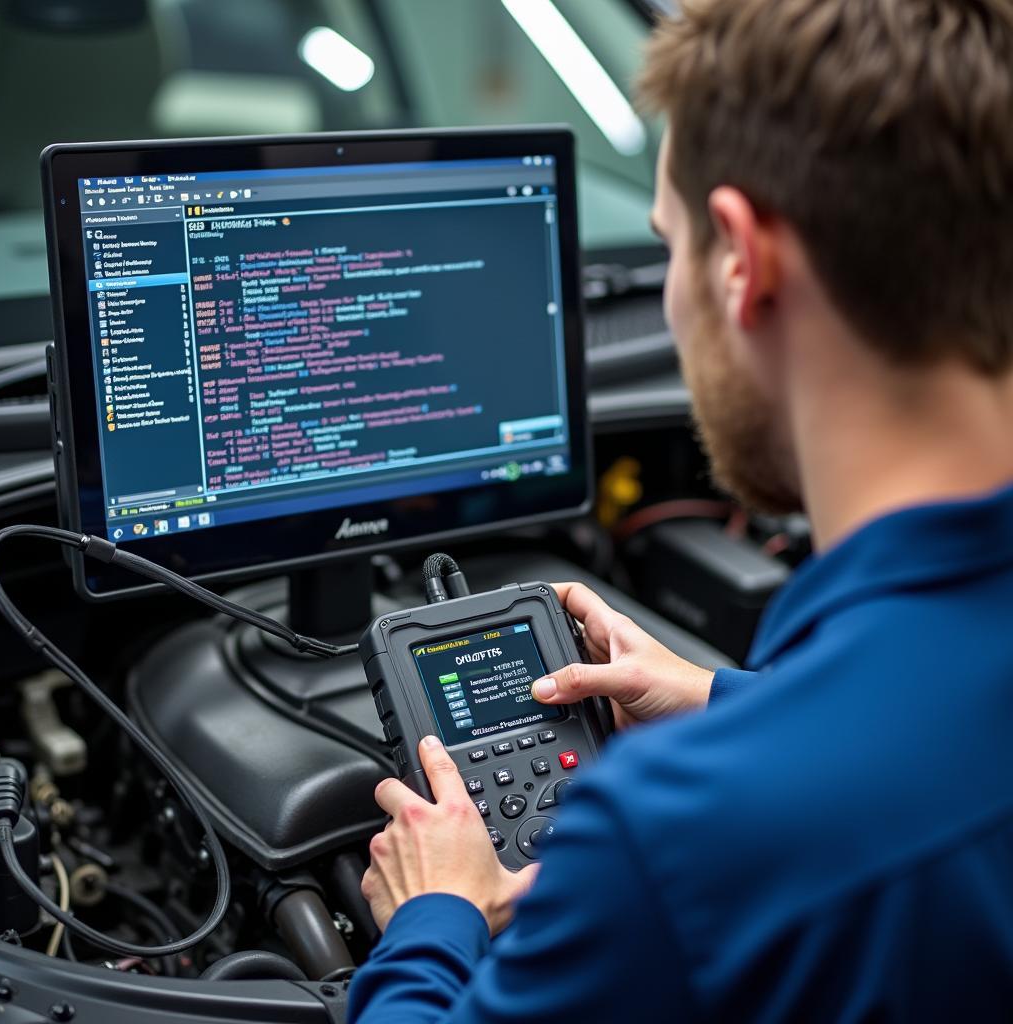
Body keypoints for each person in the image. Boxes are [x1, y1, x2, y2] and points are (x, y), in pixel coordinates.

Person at [348, 1, 1013, 1019]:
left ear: (742, 261)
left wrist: (432, 917)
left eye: (665, 247)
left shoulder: (678, 842)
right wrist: (725, 699)